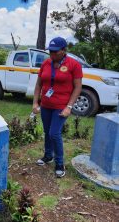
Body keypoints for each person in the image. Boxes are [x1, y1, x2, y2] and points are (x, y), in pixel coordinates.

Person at [32, 37, 82, 178]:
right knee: (48, 132)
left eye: (55, 52)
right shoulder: (45, 64)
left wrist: (69, 107)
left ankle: (60, 163)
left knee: (54, 133)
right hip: (46, 105)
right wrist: (35, 103)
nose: (51, 54)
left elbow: (78, 87)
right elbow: (38, 85)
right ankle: (48, 156)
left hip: (61, 106)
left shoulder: (74, 65)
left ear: (63, 50)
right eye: (50, 51)